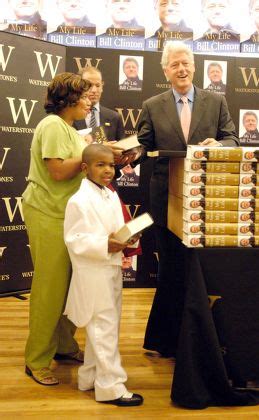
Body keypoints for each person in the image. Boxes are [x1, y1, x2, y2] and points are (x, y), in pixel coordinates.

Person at [136, 41, 239, 357]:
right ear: (165, 70)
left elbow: (232, 137)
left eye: (186, 63)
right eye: (175, 64)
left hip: (205, 197)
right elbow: (141, 146)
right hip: (166, 198)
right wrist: (121, 153)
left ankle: (201, 342)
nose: (181, 69)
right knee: (171, 267)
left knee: (200, 268)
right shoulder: (152, 105)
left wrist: (218, 147)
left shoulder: (216, 101)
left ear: (194, 66)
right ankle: (165, 341)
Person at [22, 72, 93, 386]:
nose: (90, 102)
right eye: (85, 97)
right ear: (70, 99)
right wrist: (90, 156)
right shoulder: (52, 125)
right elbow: (58, 170)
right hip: (48, 213)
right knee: (50, 289)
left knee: (67, 287)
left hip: (66, 215)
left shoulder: (69, 129)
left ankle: (64, 346)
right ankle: (36, 359)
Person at [63, 144, 143, 406]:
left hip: (110, 268)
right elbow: (74, 239)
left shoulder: (108, 195)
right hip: (94, 272)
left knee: (106, 326)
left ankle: (90, 377)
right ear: (85, 168)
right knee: (103, 329)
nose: (108, 170)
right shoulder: (78, 200)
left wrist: (128, 235)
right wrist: (103, 244)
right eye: (100, 165)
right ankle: (111, 387)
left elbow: (113, 229)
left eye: (111, 165)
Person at [73, 66, 125, 141]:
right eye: (89, 85)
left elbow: (121, 148)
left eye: (98, 85)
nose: (94, 90)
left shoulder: (115, 118)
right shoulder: (70, 115)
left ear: (102, 86)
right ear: (79, 86)